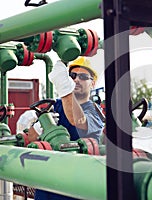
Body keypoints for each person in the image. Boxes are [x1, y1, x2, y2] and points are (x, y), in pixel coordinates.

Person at [23, 56, 104, 200]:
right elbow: (31, 138)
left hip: (75, 186)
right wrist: (39, 127)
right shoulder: (56, 105)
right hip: (47, 184)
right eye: (72, 75)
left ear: (93, 83)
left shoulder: (95, 111)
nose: (77, 79)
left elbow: (77, 120)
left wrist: (64, 86)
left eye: (83, 76)